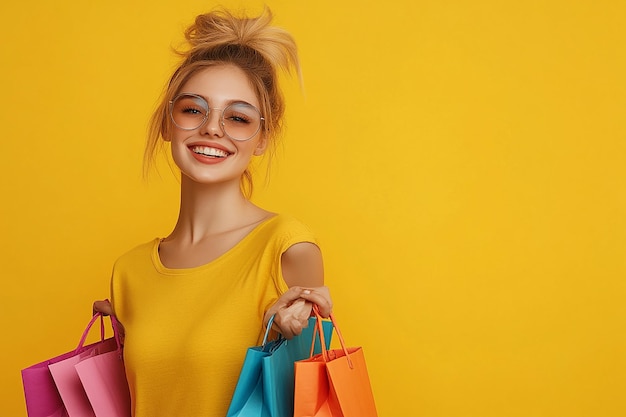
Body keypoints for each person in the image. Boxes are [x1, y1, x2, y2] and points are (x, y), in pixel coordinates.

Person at [92, 7, 332, 416]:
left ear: (262, 139)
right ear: (169, 122)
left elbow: (306, 405)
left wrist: (290, 337)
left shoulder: (288, 249)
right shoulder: (128, 272)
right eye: (193, 109)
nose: (212, 128)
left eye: (237, 117)